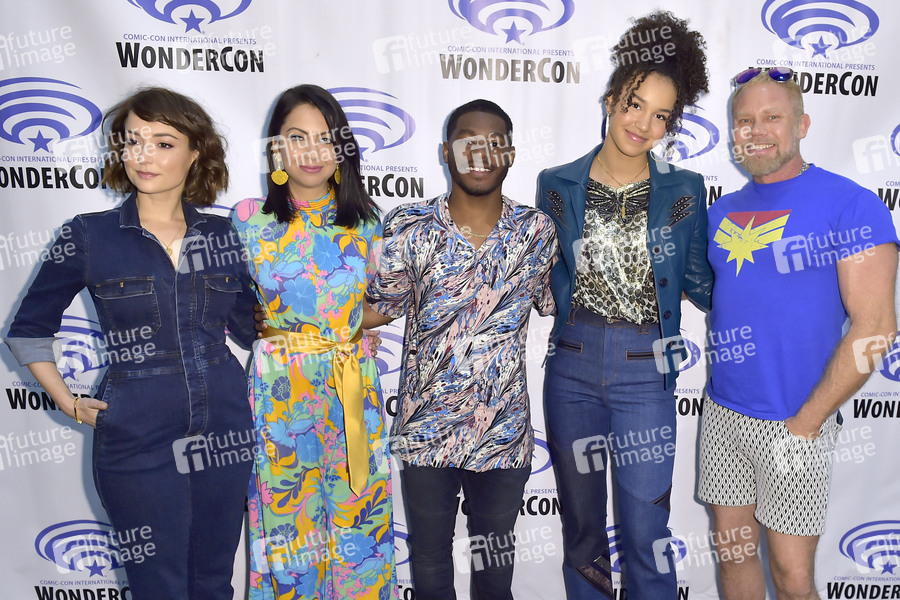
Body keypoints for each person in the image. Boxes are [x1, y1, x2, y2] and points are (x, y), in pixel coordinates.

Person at [5, 87, 258, 599]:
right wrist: (69, 403)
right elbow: (28, 330)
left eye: (163, 143)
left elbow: (251, 328)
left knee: (213, 581)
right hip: (136, 432)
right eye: (133, 141)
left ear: (195, 153)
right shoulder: (89, 235)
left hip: (225, 425)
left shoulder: (226, 235)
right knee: (157, 586)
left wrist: (324, 314)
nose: (144, 155)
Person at [699, 67, 898, 599]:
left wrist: (806, 424)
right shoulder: (720, 211)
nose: (756, 130)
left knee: (791, 576)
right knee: (733, 557)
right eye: (744, 120)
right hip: (723, 413)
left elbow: (877, 328)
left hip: (797, 421)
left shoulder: (851, 203)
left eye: (772, 117)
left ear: (802, 125)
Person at [535, 11, 712, 599]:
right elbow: (542, 271)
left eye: (661, 115)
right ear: (612, 100)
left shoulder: (684, 190)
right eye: (635, 104)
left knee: (646, 530)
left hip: (647, 368)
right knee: (583, 531)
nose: (643, 124)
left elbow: (700, 281)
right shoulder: (556, 184)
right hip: (572, 364)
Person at [363, 99, 558, 600]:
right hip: (426, 428)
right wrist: (290, 317)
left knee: (494, 568)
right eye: (468, 140)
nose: (481, 153)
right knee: (429, 563)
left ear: (510, 154)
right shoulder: (408, 224)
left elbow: (559, 302)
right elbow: (380, 307)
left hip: (502, 430)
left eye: (495, 143)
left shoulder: (536, 231)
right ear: (446, 151)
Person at [231, 84, 396, 599]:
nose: (310, 151)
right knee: (287, 531)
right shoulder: (247, 219)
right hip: (280, 390)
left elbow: (380, 302)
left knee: (359, 526)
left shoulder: (367, 221)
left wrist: (355, 327)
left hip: (352, 389)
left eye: (325, 138)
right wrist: (256, 322)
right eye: (296, 137)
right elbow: (227, 304)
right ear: (276, 147)